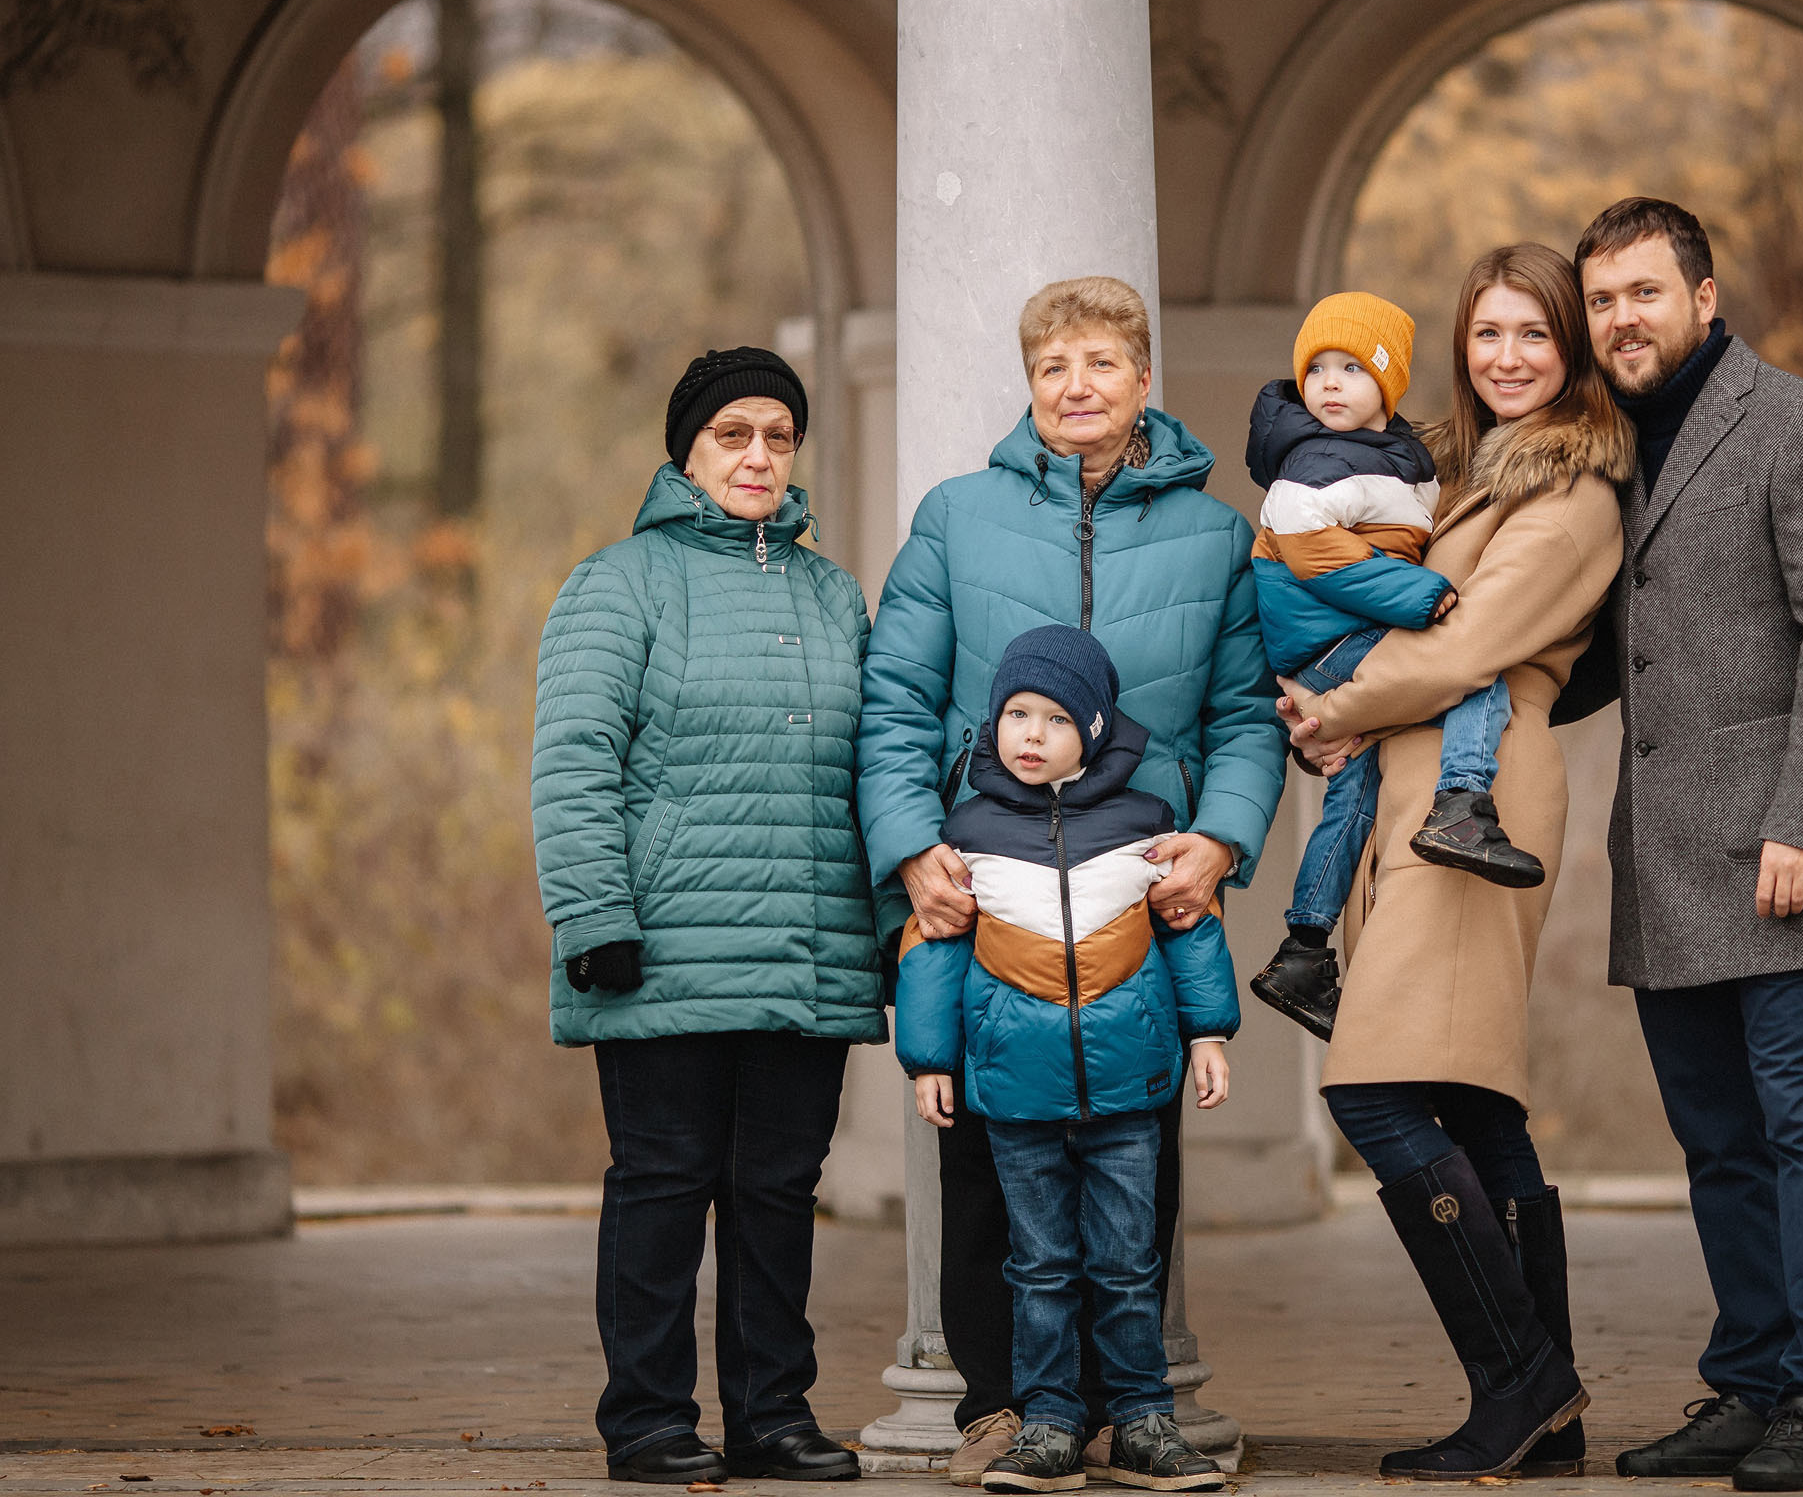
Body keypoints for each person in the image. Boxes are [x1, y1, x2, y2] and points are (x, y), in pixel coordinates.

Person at [856, 277, 1286, 1482]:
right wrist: (909, 847)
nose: (1076, 387)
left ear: (1145, 380)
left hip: (1135, 902)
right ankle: (1004, 1404)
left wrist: (1221, 840)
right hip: (984, 889)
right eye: (1053, 368)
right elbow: (894, 701)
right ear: (1031, 384)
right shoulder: (956, 518)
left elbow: (1248, 716)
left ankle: (1127, 1406)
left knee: (1129, 1171)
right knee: (988, 1167)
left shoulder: (1214, 537)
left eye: (1100, 364)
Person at [1559, 197, 1803, 1493]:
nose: (1619, 321)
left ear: (1705, 297)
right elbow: (1607, 652)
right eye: (1602, 301)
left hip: (1781, 856)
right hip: (1666, 860)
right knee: (1717, 1141)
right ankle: (1751, 1383)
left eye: (1643, 293)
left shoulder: (1795, 425)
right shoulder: (1607, 445)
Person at [1278, 244, 1632, 1479]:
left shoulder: (1573, 491)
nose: (1508, 357)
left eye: (1534, 336)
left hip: (1474, 803)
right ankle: (1553, 1422)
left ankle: (1522, 1380)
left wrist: (1332, 711)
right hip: (1417, 787)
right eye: (1487, 335)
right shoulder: (1458, 476)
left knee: (1375, 1087)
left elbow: (1470, 639)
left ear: (1570, 354)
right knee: (1472, 1096)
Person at [532, 347, 896, 1486]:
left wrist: (891, 923)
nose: (756, 455)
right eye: (732, 433)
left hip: (809, 947)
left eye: (777, 436)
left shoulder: (836, 593)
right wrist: (595, 913)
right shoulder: (620, 582)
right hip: (664, 950)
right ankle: (645, 1419)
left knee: (779, 1192)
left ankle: (771, 1414)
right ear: (686, 450)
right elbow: (575, 758)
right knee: (662, 1180)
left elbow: (875, 767)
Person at [896, 625, 1239, 1494]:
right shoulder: (965, 833)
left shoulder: (1144, 826)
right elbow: (934, 951)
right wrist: (929, 1060)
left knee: (1127, 1265)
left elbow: (1190, 933)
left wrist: (1208, 1037)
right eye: (1015, 713)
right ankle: (1047, 1423)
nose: (1030, 734)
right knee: (1039, 1267)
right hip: (1015, 1097)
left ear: (1093, 729)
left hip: (1129, 1093)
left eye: (1053, 719)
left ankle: (1140, 1423)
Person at [1246, 291, 1545, 1042]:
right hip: (1330, 639)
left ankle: (1303, 950)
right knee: (1477, 674)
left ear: (1389, 382)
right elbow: (1305, 544)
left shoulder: (1391, 453)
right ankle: (1463, 804)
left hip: (1327, 644)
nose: (1330, 384)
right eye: (1317, 369)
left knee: (1354, 794)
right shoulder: (1319, 458)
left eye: (1351, 368)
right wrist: (1416, 593)